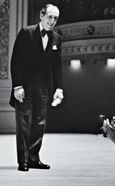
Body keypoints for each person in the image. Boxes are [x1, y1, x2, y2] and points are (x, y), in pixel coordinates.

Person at [10, 4, 63, 171]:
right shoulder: (26, 33)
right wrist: (17, 86)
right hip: (24, 86)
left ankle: (33, 158)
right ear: (41, 15)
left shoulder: (56, 38)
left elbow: (56, 67)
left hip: (43, 88)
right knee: (24, 124)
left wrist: (59, 88)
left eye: (55, 18)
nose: (52, 21)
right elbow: (16, 61)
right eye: (50, 17)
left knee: (39, 124)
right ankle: (23, 161)